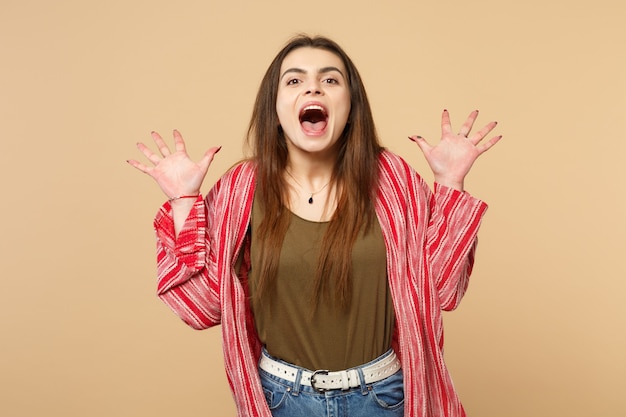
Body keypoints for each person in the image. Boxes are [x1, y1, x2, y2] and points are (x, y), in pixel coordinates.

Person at [127, 35, 501, 417]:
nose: (312, 87)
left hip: (385, 399)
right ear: (274, 108)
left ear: (352, 106)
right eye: (294, 80)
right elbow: (200, 308)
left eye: (330, 79)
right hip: (281, 401)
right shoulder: (242, 189)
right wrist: (183, 201)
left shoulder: (393, 179)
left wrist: (451, 183)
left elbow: (440, 291)